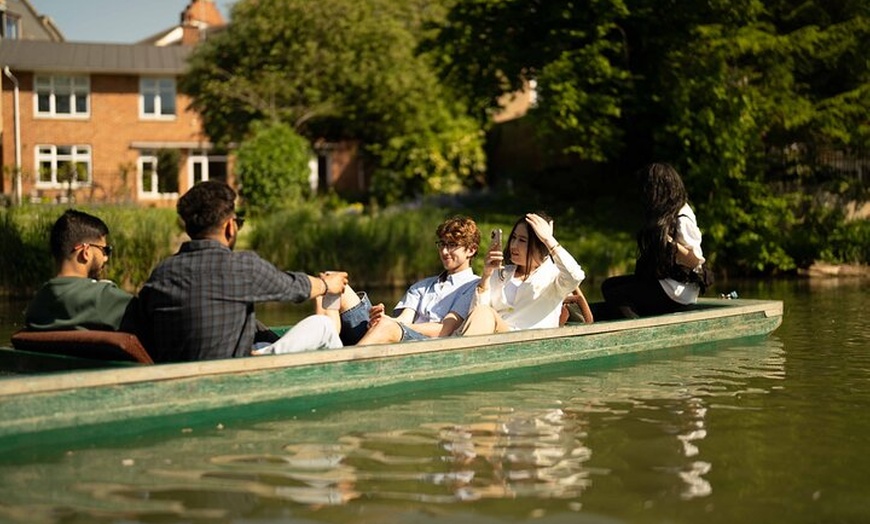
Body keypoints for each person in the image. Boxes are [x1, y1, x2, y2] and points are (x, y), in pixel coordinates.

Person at [138, 180, 348, 362]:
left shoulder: (162, 272)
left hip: (180, 381)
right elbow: (294, 288)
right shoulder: (242, 267)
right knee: (323, 325)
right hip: (232, 380)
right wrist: (328, 285)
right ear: (230, 226)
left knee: (256, 326)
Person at [253, 215, 482, 353]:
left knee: (386, 326)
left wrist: (390, 325)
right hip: (397, 334)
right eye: (441, 244)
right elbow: (402, 320)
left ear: (471, 250)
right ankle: (326, 346)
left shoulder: (473, 286)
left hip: (427, 346)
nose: (444, 251)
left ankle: (346, 366)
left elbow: (443, 330)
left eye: (452, 246)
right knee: (334, 282)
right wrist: (384, 320)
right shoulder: (423, 285)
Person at [600, 162, 710, 318]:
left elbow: (694, 262)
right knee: (608, 285)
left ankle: (637, 333)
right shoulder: (666, 212)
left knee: (618, 295)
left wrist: (669, 242)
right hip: (665, 283)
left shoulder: (682, 216)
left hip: (678, 290)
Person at [457, 212, 585, 336]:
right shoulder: (500, 273)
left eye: (522, 240)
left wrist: (549, 239)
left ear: (540, 244)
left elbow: (575, 276)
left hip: (529, 344)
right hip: (494, 341)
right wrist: (485, 275)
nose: (514, 245)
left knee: (484, 312)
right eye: (514, 238)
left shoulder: (554, 277)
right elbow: (475, 315)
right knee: (483, 312)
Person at [25, 209, 141, 333]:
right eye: (105, 250)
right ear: (85, 251)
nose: (106, 257)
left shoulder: (36, 305)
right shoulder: (103, 297)